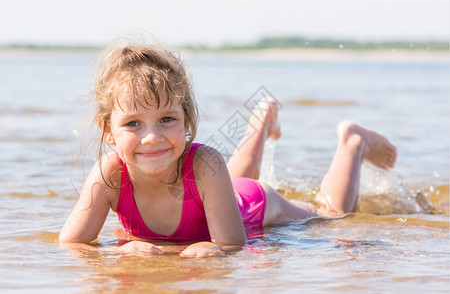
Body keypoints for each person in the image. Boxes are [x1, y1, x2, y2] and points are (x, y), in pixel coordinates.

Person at [59, 43, 397, 258]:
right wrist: (123, 250)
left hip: (253, 204)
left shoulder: (205, 163)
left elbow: (233, 243)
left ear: (187, 121)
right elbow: (70, 244)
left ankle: (352, 142)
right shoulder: (109, 174)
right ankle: (261, 122)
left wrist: (215, 248)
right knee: (232, 176)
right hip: (219, 194)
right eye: (133, 124)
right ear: (108, 131)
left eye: (166, 119)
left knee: (331, 213)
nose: (152, 137)